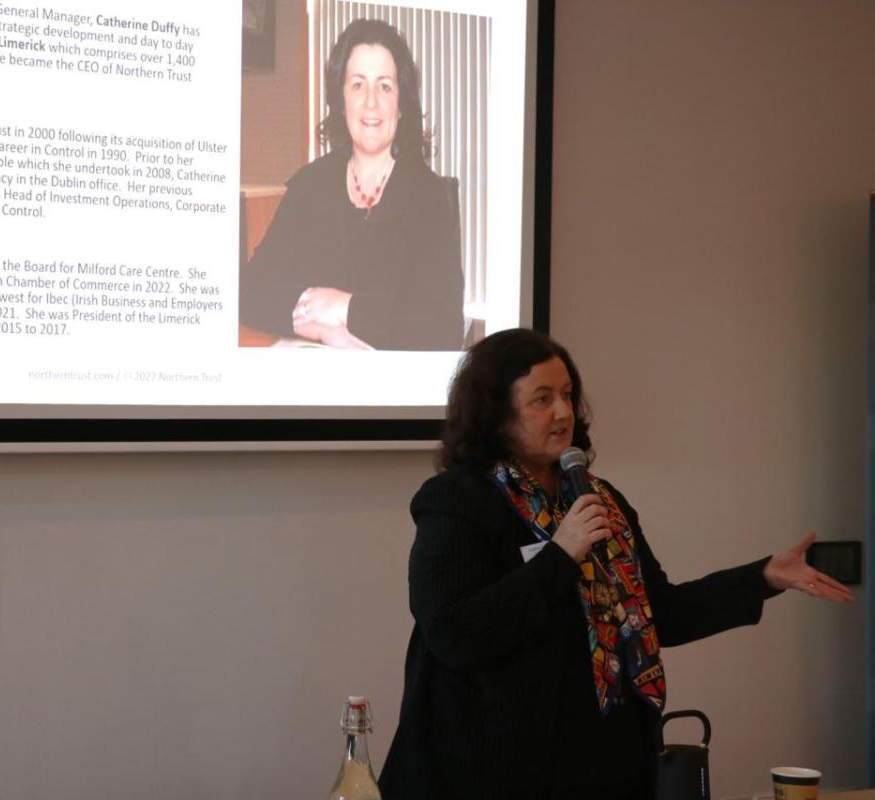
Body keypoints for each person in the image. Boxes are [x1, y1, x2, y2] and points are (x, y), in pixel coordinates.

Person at [377, 328, 853, 800]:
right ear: (496, 412)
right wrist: (562, 555)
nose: (563, 412)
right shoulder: (457, 501)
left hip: (605, 761)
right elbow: (455, 633)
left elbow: (659, 612)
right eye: (542, 399)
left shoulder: (600, 500)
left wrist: (763, 577)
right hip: (490, 770)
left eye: (567, 394)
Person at [239, 18, 464, 351]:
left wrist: (343, 306)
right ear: (340, 102)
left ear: (402, 105)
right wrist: (319, 328)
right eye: (357, 84)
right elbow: (250, 288)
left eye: (384, 85)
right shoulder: (309, 186)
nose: (371, 102)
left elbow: (441, 326)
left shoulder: (429, 198)